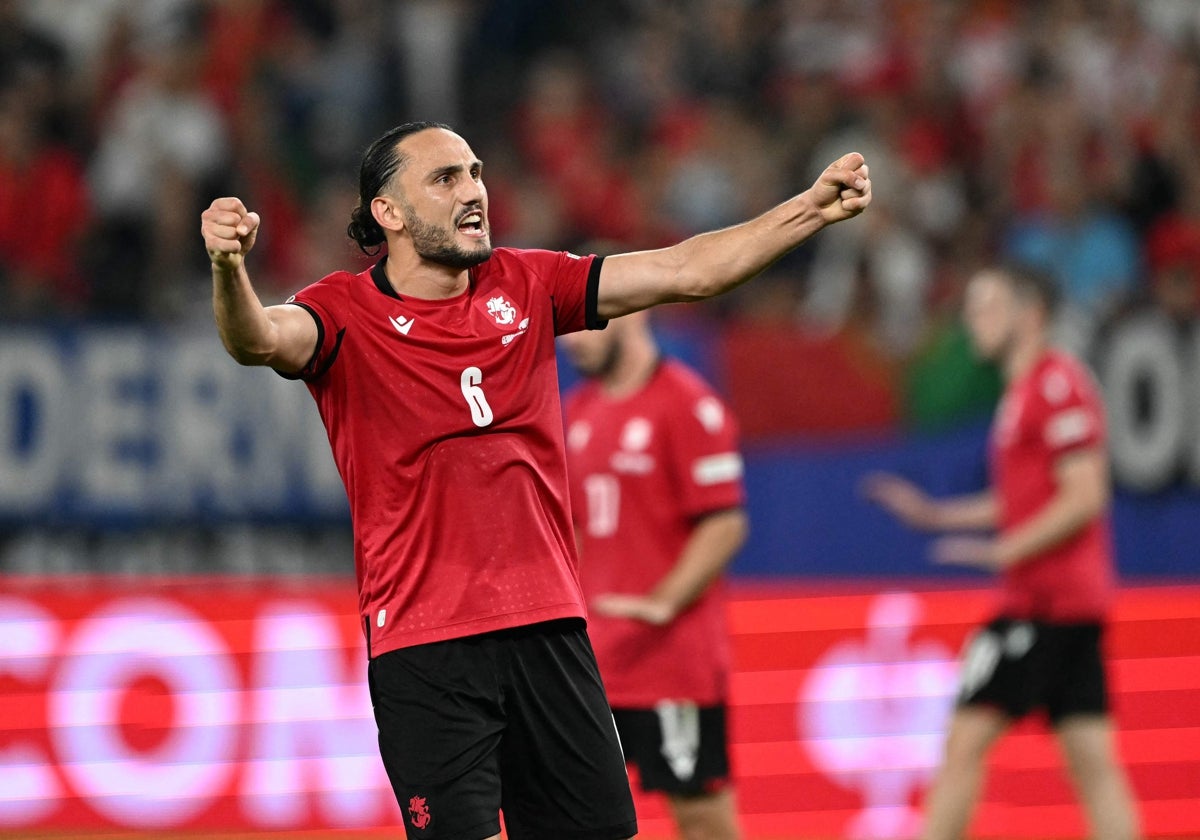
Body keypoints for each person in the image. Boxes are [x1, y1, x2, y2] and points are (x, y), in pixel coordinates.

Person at [200, 120, 871, 840]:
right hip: (427, 648)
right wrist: (228, 269)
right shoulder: (342, 312)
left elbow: (686, 270)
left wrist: (809, 210)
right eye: (445, 178)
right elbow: (258, 340)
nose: (473, 192)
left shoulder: (528, 283)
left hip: (549, 630)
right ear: (387, 212)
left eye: (476, 172)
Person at [863, 264, 1141, 840]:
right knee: (1093, 764)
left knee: (962, 746)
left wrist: (1005, 551)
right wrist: (937, 515)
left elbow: (1085, 494)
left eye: (986, 305)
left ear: (1030, 313)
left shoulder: (1054, 383)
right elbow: (1024, 498)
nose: (972, 320)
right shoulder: (1023, 393)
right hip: (1070, 606)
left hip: (1041, 604)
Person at [561, 311, 747, 840]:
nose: (572, 342)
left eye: (584, 323)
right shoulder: (575, 413)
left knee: (701, 818)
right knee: (577, 815)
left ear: (632, 312)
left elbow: (726, 522)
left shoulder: (687, 404)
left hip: (672, 664)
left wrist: (663, 602)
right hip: (594, 664)